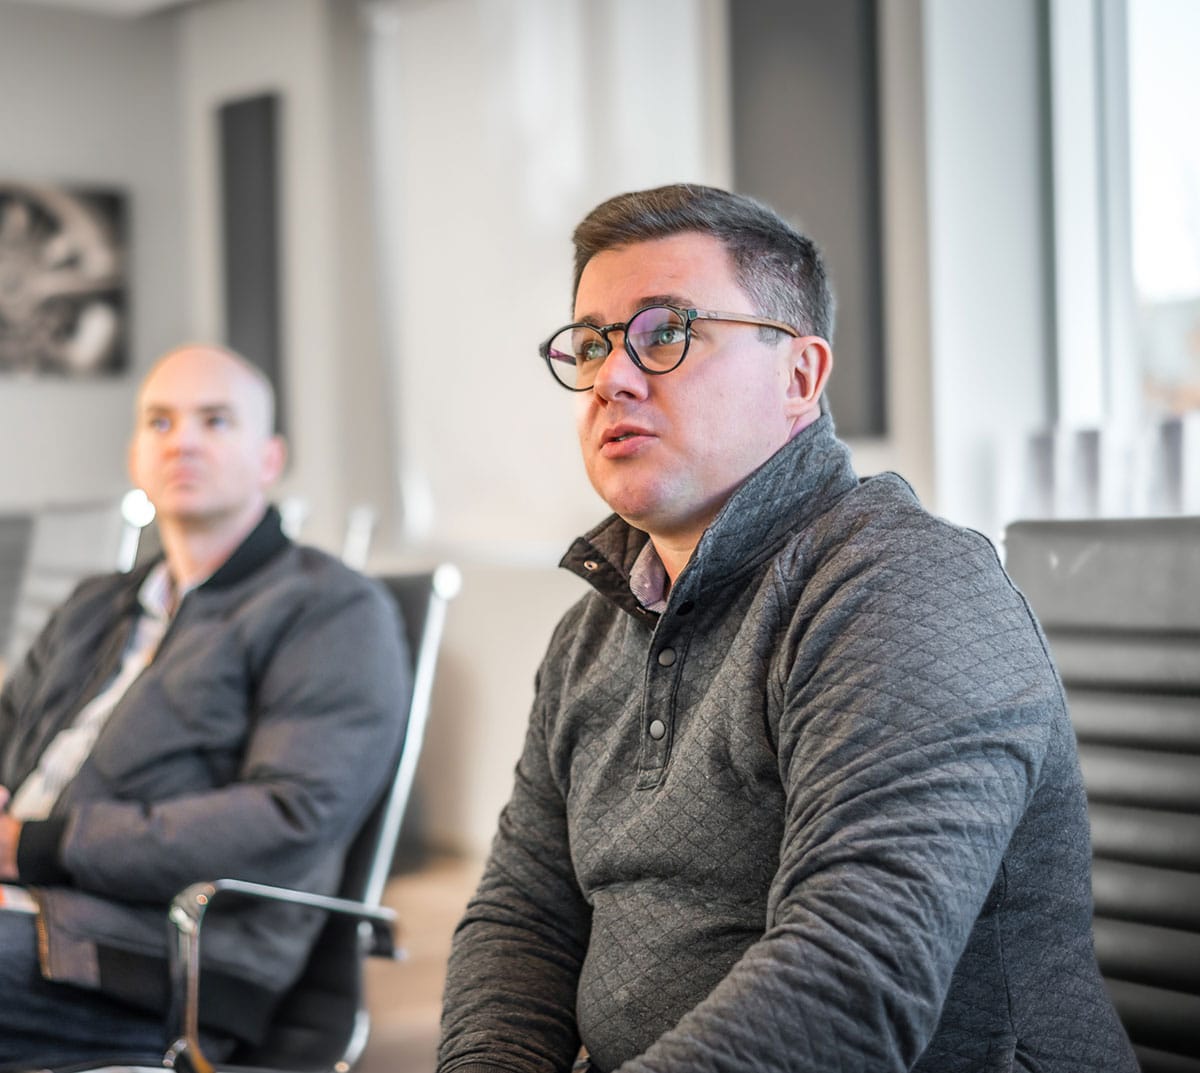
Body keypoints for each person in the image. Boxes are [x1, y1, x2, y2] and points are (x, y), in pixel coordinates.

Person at [436, 184, 1136, 1073]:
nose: (611, 375)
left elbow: (851, 979)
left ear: (799, 375)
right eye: (591, 343)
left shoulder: (902, 588)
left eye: (664, 332)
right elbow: (523, 917)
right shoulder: (590, 632)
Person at [0, 344, 408, 1064]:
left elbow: (288, 817)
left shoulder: (331, 608)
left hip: (158, 960)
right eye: (160, 421)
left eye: (216, 421)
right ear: (135, 454)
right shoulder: (95, 604)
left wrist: (29, 845)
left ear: (270, 458)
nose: (183, 439)